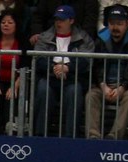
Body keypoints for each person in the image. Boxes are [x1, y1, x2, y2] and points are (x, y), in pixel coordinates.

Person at [33, 5, 95, 137]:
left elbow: (87, 61)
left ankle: (71, 135)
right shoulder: (45, 36)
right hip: (49, 77)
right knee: (43, 89)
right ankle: (39, 134)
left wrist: (67, 67)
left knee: (74, 91)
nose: (58, 23)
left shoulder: (84, 38)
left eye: (62, 20)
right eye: (56, 20)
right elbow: (38, 58)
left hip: (72, 78)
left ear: (71, 21)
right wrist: (53, 67)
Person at [85, 4, 128, 140]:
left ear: (127, 24)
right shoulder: (100, 42)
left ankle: (114, 136)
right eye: (112, 23)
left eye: (120, 24)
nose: (115, 28)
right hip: (103, 85)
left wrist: (122, 87)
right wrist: (103, 85)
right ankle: (93, 136)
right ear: (107, 25)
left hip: (125, 87)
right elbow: (95, 68)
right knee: (91, 96)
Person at [0, 10, 26, 135]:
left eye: (10, 22)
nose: (6, 25)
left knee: (11, 97)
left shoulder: (22, 43)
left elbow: (25, 67)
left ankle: (10, 127)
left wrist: (15, 86)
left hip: (16, 81)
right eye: (3, 22)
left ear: (16, 25)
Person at [30, 0, 100, 43]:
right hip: (50, 38)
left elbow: (90, 22)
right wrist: (36, 33)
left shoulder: (90, 2)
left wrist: (83, 40)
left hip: (78, 39)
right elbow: (38, 16)